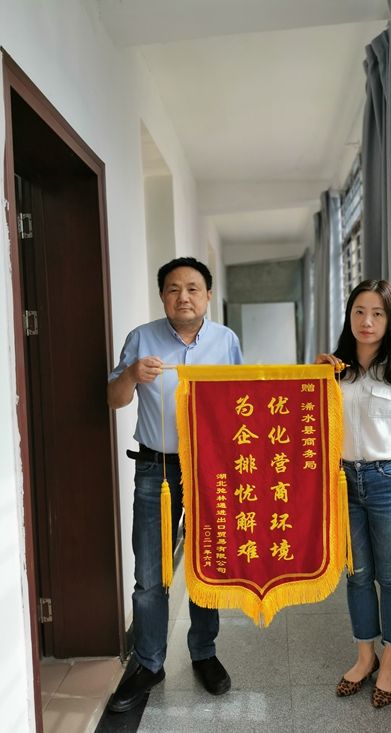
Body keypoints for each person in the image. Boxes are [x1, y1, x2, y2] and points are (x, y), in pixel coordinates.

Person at [107, 257, 243, 712]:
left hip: (210, 469)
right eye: (173, 289)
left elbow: (241, 400)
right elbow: (113, 399)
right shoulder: (141, 338)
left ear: (207, 295)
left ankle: (204, 653)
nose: (183, 296)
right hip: (156, 469)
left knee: (206, 565)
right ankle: (149, 663)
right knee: (149, 574)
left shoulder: (226, 341)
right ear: (162, 295)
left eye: (192, 288)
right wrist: (131, 375)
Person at [316, 279, 391, 709]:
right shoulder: (335, 370)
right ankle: (365, 657)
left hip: (390, 481)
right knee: (358, 575)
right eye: (359, 312)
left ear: (389, 319)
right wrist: (313, 375)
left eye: (377, 313)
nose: (367, 321)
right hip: (344, 481)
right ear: (349, 316)